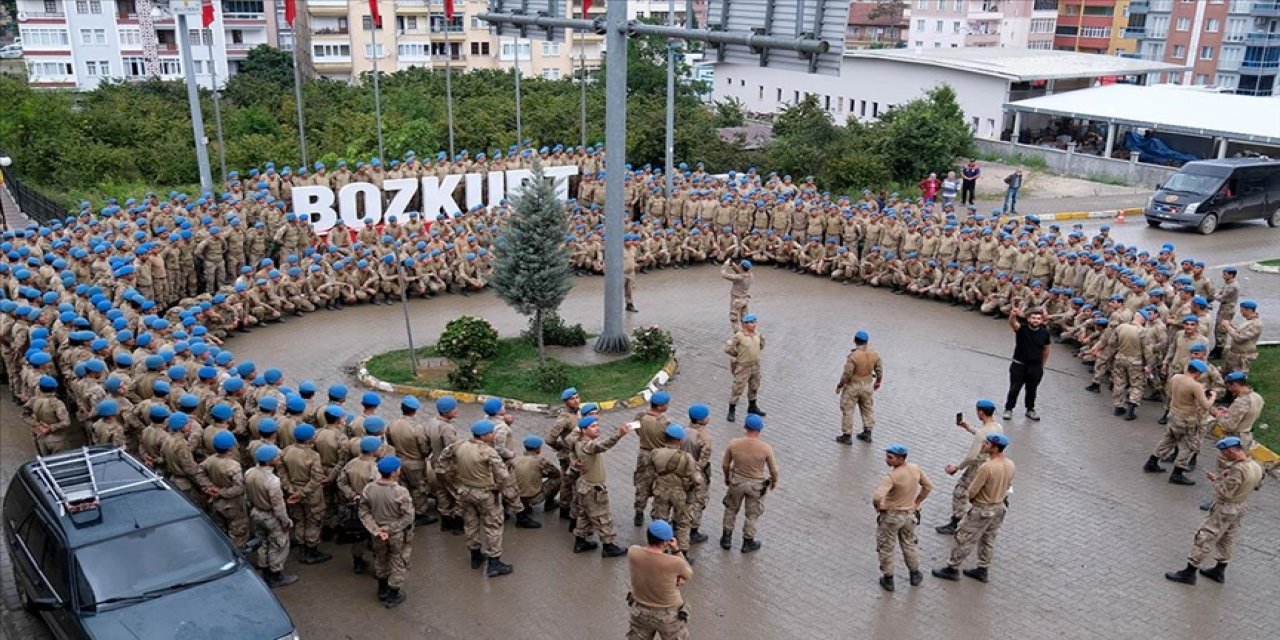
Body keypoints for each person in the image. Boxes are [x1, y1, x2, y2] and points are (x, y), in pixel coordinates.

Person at [1164, 437, 1264, 585]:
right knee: (1227, 538)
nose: (1223, 456)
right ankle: (1219, 570)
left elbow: (1225, 493)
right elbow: (1256, 486)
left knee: (1205, 536)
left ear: (1230, 451)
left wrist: (1216, 480)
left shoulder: (1238, 469)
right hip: (1240, 506)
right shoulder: (1256, 465)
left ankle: (1189, 572)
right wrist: (1225, 477)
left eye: (1224, 452)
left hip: (1226, 508)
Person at [932, 433, 1015, 583]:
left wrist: (973, 500)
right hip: (999, 508)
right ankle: (983, 569)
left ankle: (952, 568)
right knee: (988, 539)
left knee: (964, 537)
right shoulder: (1010, 464)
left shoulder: (987, 467)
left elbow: (973, 490)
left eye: (987, 444)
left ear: (995, 448)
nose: (984, 445)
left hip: (983, 508)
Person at [440, 419, 516, 577]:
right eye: (491, 433)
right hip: (485, 493)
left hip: (465, 491)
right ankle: (494, 562)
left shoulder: (459, 445)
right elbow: (503, 475)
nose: (494, 435)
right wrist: (498, 488)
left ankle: (475, 556)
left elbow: (443, 460)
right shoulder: (488, 451)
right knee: (493, 525)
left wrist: (453, 478)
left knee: (471, 523)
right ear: (484, 436)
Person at [936, 399, 1004, 535]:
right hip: (992, 463)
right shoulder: (998, 427)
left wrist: (957, 467)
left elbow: (971, 457)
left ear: (980, 412)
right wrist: (968, 427)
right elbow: (985, 436)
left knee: (960, 492)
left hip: (978, 466)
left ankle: (956, 522)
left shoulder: (982, 433)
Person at [1144, 359, 1215, 486]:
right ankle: (1177, 473)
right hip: (1187, 420)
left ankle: (1152, 461)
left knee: (1168, 440)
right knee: (1188, 446)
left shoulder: (1176, 377)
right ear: (1197, 372)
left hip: (1173, 415)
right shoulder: (1195, 386)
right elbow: (1206, 405)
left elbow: (1170, 393)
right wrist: (1212, 396)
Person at [872, 443, 931, 592]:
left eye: (890, 457)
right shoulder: (915, 469)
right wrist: (917, 502)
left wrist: (879, 506)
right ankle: (915, 573)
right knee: (909, 544)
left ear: (900, 458)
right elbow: (928, 486)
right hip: (909, 515)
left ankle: (888, 578)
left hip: (892, 517)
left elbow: (878, 496)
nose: (887, 460)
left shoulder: (892, 476)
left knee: (886, 546)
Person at [359, 455, 415, 607]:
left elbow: (364, 512)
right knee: (398, 561)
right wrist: (389, 529)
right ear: (393, 473)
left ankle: (382, 589)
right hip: (396, 534)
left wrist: (376, 529)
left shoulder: (369, 488)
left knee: (380, 558)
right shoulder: (400, 491)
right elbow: (408, 517)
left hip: (377, 534)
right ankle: (393, 594)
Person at [573, 415, 634, 557]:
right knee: (603, 517)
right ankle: (608, 546)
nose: (597, 428)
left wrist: (573, 461)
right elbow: (603, 445)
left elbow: (571, 450)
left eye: (597, 425)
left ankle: (580, 542)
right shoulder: (589, 445)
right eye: (593, 426)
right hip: (594, 489)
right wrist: (619, 434)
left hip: (583, 486)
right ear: (584, 430)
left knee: (584, 515)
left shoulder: (577, 442)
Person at [720, 414, 778, 553]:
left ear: (745, 427)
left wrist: (727, 477)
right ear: (759, 430)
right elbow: (773, 470)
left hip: (737, 482)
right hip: (756, 486)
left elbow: (725, 464)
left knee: (731, 509)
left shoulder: (733, 443)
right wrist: (774, 481)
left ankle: (726, 538)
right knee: (752, 514)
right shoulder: (766, 448)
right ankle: (748, 542)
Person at [627, 520, 693, 640]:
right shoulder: (674, 562)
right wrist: (676, 550)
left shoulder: (633, 552)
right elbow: (688, 573)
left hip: (640, 610)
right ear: (665, 542)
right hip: (669, 615)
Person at [245, 445, 298, 588]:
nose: (278, 458)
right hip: (271, 516)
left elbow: (248, 496)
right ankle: (275, 575)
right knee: (278, 545)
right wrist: (285, 521)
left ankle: (265, 571)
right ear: (269, 461)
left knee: (263, 543)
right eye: (275, 457)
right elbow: (278, 506)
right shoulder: (272, 480)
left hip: (256, 513)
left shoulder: (250, 473)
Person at [649, 424, 703, 563]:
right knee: (683, 522)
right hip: (679, 493)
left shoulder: (655, 453)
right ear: (680, 441)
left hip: (660, 491)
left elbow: (650, 472)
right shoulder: (686, 457)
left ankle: (660, 550)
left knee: (660, 521)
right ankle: (682, 552)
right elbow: (696, 478)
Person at [201, 430, 250, 548]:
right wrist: (221, 492)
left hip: (215, 502)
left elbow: (199, 473)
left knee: (221, 529)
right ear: (231, 447)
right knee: (238, 531)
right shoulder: (233, 466)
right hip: (232, 504)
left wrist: (209, 487)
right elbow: (238, 488)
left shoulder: (209, 460)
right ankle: (237, 554)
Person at [834, 330, 883, 444]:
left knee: (848, 409)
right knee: (867, 408)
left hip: (853, 386)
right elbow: (879, 369)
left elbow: (847, 373)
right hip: (867, 385)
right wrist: (878, 381)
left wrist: (840, 385)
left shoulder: (853, 356)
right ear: (866, 341)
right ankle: (867, 432)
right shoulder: (874, 354)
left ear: (855, 341)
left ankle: (847, 435)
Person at [1004, 306, 1050, 422]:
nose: (1035, 320)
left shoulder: (1045, 333)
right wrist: (1013, 315)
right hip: (1019, 365)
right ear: (1029, 319)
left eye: (1038, 319)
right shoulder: (1022, 329)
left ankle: (1030, 409)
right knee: (1014, 388)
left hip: (1035, 368)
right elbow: (1012, 323)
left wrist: (1041, 366)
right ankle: (1009, 409)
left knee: (1032, 390)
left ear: (1041, 321)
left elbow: (1046, 350)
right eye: (1033, 318)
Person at [633, 390, 672, 526]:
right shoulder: (665, 423)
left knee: (642, 484)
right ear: (660, 406)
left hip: (643, 454)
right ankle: (657, 516)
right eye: (666, 404)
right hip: (659, 457)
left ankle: (639, 512)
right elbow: (670, 441)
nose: (668, 405)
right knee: (659, 486)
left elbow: (637, 430)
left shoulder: (641, 416)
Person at [512, 435, 562, 529]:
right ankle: (549, 503)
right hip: (534, 497)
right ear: (538, 449)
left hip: (516, 496)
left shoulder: (515, 459)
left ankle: (524, 506)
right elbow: (555, 473)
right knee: (559, 478)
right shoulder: (540, 461)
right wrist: (541, 474)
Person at [724, 314, 766, 422]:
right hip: (743, 366)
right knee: (738, 388)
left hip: (755, 365)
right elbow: (727, 348)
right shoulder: (739, 336)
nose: (754, 325)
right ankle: (732, 410)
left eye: (755, 322)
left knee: (754, 386)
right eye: (752, 323)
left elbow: (761, 345)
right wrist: (737, 355)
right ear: (745, 324)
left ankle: (752, 406)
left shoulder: (758, 334)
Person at [1214, 372, 1264, 452]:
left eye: (1229, 386)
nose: (1229, 389)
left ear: (1235, 384)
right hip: (1247, 435)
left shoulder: (1241, 402)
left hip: (1234, 439)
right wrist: (1229, 412)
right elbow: (1249, 414)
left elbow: (1229, 426)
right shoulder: (1257, 397)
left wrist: (1219, 415)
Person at [1219, 300, 1261, 374]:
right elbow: (1239, 332)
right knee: (1227, 374)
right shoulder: (1248, 321)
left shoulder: (1256, 324)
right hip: (1235, 354)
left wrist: (1227, 326)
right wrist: (1230, 326)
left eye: (1242, 310)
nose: (1241, 312)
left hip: (1243, 356)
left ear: (1249, 310)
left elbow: (1239, 338)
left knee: (1238, 377)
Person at [721, 258, 753, 331]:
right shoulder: (750, 275)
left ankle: (738, 335)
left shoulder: (739, 278)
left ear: (741, 267)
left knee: (734, 318)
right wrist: (734, 266)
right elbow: (741, 272)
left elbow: (724, 274)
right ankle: (747, 332)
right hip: (745, 299)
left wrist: (725, 265)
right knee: (744, 318)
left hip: (737, 300)